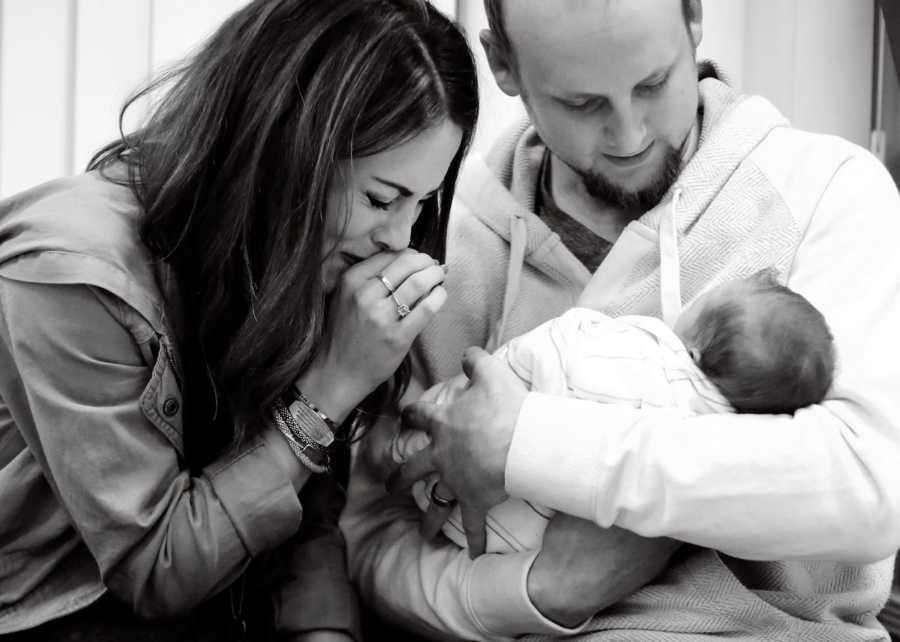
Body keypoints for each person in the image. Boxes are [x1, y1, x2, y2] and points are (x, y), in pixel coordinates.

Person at [341, 0, 900, 640]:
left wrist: (527, 442)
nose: (630, 135)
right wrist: (544, 591)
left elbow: (866, 486)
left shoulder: (827, 190)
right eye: (582, 105)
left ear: (694, 22)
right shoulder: (436, 238)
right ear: (503, 64)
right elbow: (371, 536)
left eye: (653, 84)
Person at [0, 0, 478, 639]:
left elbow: (306, 512)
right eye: (381, 198)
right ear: (283, 151)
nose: (400, 238)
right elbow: (156, 569)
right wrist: (332, 387)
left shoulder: (303, 257)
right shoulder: (71, 273)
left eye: (420, 205)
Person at [369, 269, 835, 554]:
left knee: (422, 431)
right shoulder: (719, 441)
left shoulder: (647, 352)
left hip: (462, 463)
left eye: (701, 304)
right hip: (511, 544)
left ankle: (383, 450)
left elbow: (563, 346)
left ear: (693, 351)